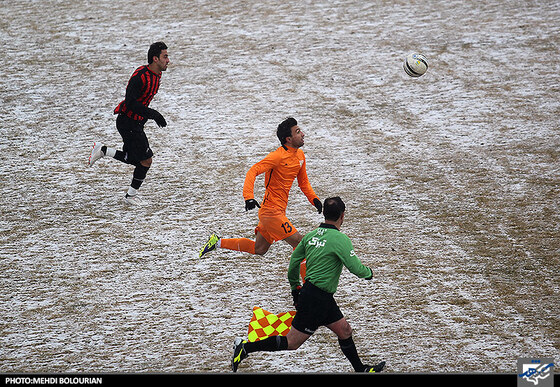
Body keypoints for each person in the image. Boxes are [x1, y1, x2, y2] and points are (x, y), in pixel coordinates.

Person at [231, 197, 386, 373]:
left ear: (325, 214)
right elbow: (356, 268)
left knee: (344, 330)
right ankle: (245, 348)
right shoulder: (341, 240)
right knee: (292, 342)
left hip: (317, 295)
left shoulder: (310, 237)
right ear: (342, 216)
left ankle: (360, 369)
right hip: (317, 299)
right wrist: (369, 273)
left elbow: (293, 265)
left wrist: (295, 289)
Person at [199, 117, 322, 260]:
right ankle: (308, 282)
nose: (303, 134)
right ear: (288, 139)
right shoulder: (277, 157)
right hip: (271, 213)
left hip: (276, 210)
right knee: (300, 243)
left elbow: (304, 182)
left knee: (259, 248)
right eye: (298, 132)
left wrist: (314, 199)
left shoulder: (300, 155)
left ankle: (217, 242)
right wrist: (248, 197)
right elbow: (253, 170)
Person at [88, 42, 169, 205]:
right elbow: (130, 103)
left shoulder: (157, 75)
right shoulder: (140, 76)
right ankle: (130, 197)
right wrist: (153, 114)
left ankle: (103, 150)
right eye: (165, 56)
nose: (168, 60)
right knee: (146, 160)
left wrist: (146, 117)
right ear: (155, 58)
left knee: (137, 159)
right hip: (128, 122)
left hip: (136, 123)